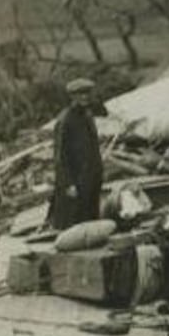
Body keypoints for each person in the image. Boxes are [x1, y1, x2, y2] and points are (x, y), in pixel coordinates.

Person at [48, 78, 104, 230]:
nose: (85, 97)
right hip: (75, 179)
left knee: (91, 219)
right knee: (74, 222)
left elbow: (93, 147)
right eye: (80, 94)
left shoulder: (88, 116)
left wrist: (98, 173)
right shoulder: (65, 120)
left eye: (87, 93)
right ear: (72, 96)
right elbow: (60, 156)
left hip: (90, 177)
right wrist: (68, 183)